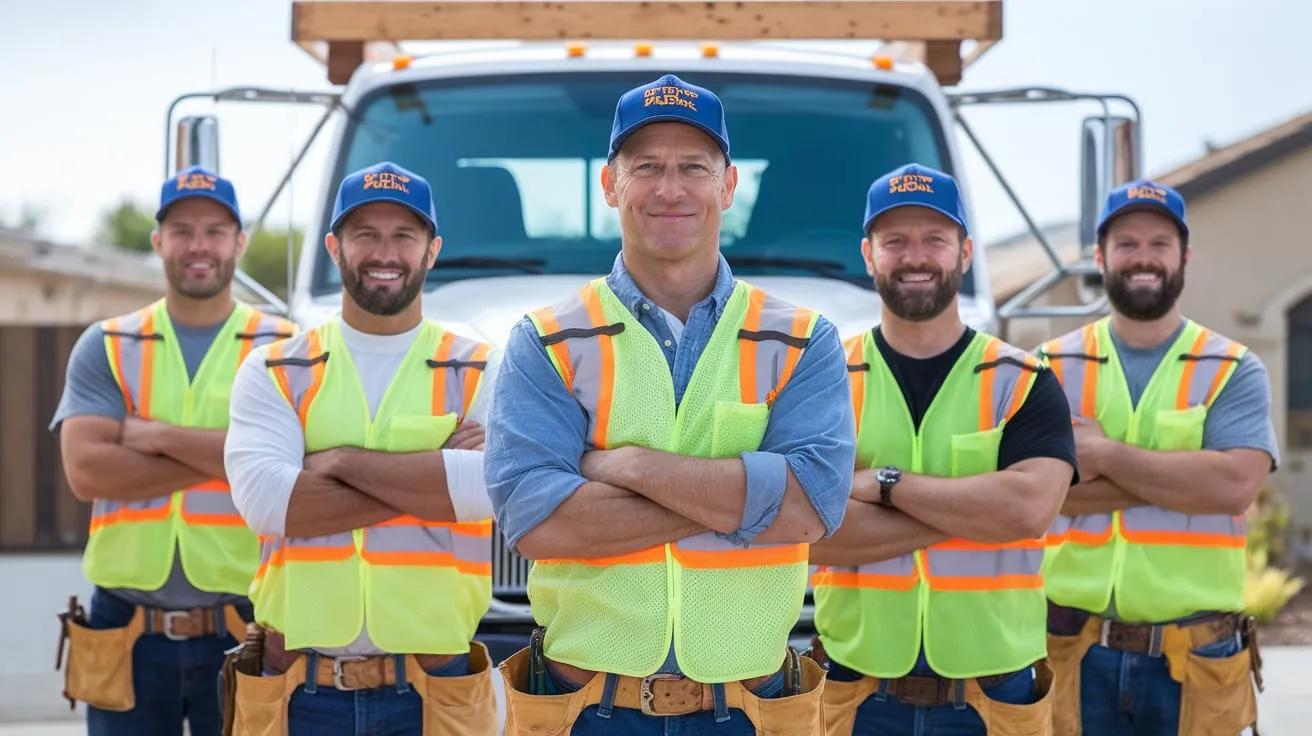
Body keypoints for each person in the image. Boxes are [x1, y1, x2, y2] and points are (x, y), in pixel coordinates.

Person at [482, 73, 856, 735]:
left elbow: (809, 508)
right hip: (586, 707)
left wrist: (623, 466)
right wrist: (745, 498)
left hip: (749, 707)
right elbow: (538, 524)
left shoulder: (803, 339)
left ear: (728, 185)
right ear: (610, 185)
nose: (670, 189)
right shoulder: (546, 340)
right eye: (646, 167)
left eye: (694, 167)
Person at [222, 161, 501, 735]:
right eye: (365, 234)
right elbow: (271, 506)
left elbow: (488, 492)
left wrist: (338, 463)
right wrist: (434, 474)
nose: (385, 252)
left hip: (435, 688)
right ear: (334, 246)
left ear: (432, 250)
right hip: (299, 690)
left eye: (404, 235)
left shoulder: (480, 368)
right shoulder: (276, 369)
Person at [806, 163, 1078, 736]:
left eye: (935, 239)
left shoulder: (1024, 380)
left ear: (965, 252)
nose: (915, 257)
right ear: (868, 254)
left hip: (995, 694)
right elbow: (805, 529)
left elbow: (1029, 510)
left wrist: (884, 486)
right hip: (857, 693)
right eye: (895, 241)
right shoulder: (826, 377)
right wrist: (980, 510)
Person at [50, 166, 296, 736]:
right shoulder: (108, 344)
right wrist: (237, 457)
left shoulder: (286, 346)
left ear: (240, 242)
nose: (199, 245)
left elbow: (291, 471)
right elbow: (87, 470)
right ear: (158, 241)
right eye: (182, 230)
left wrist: (155, 437)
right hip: (125, 624)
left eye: (215, 230)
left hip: (248, 623)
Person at [1038, 179, 1277, 736]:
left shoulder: (1234, 368)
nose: (1143, 257)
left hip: (1198, 657)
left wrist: (1100, 454)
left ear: (1183, 256)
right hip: (1070, 649)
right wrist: (1187, 474)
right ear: (1100, 257)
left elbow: (1234, 488)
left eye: (1159, 244)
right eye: (1126, 244)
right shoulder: (1047, 366)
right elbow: (1033, 491)